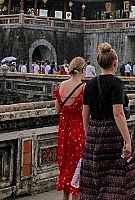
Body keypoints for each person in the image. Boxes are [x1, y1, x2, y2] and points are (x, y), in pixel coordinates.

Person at [81, 42, 135, 199]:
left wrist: (88, 134)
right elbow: (118, 113)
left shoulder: (89, 84)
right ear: (115, 63)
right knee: (120, 178)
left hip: (93, 134)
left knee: (94, 178)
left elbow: (85, 114)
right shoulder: (116, 83)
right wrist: (127, 141)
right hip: (112, 134)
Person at [54, 56, 87, 200]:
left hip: (64, 131)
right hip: (78, 129)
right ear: (83, 69)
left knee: (66, 167)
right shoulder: (83, 87)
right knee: (77, 169)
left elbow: (57, 110)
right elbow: (86, 113)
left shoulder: (61, 86)